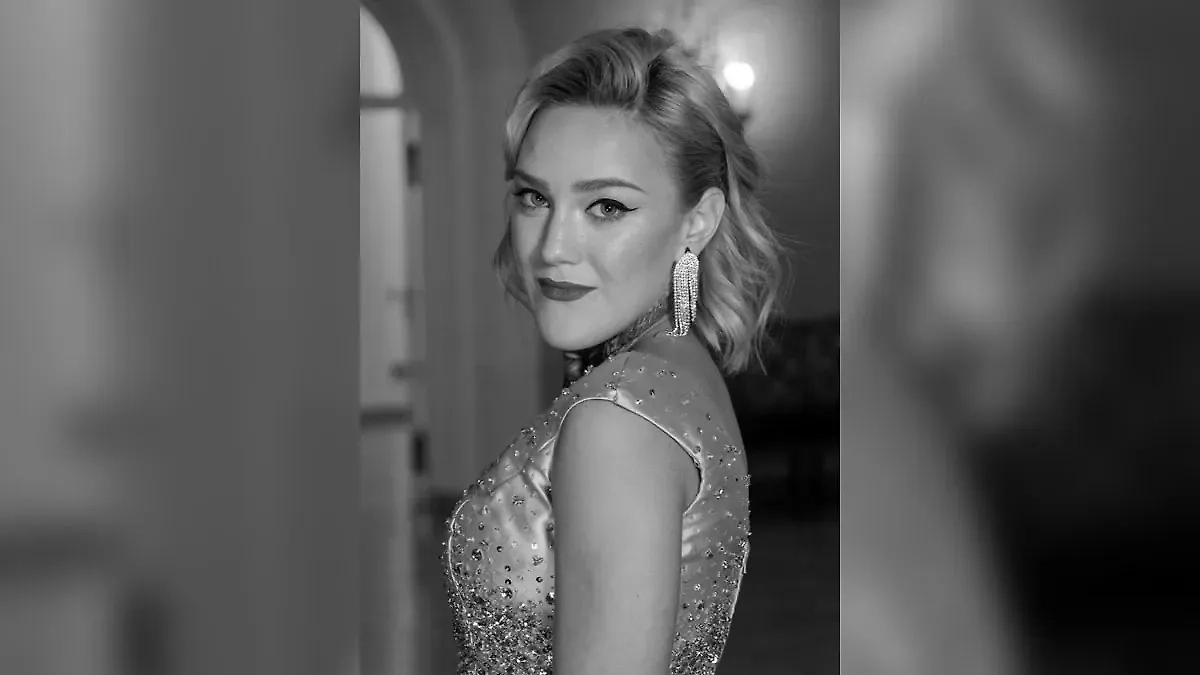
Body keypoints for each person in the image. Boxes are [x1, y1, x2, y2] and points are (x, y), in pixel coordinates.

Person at [441, 27, 784, 675]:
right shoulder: (680, 366)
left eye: (605, 206)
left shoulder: (618, 419)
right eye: (534, 197)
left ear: (697, 222)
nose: (552, 247)